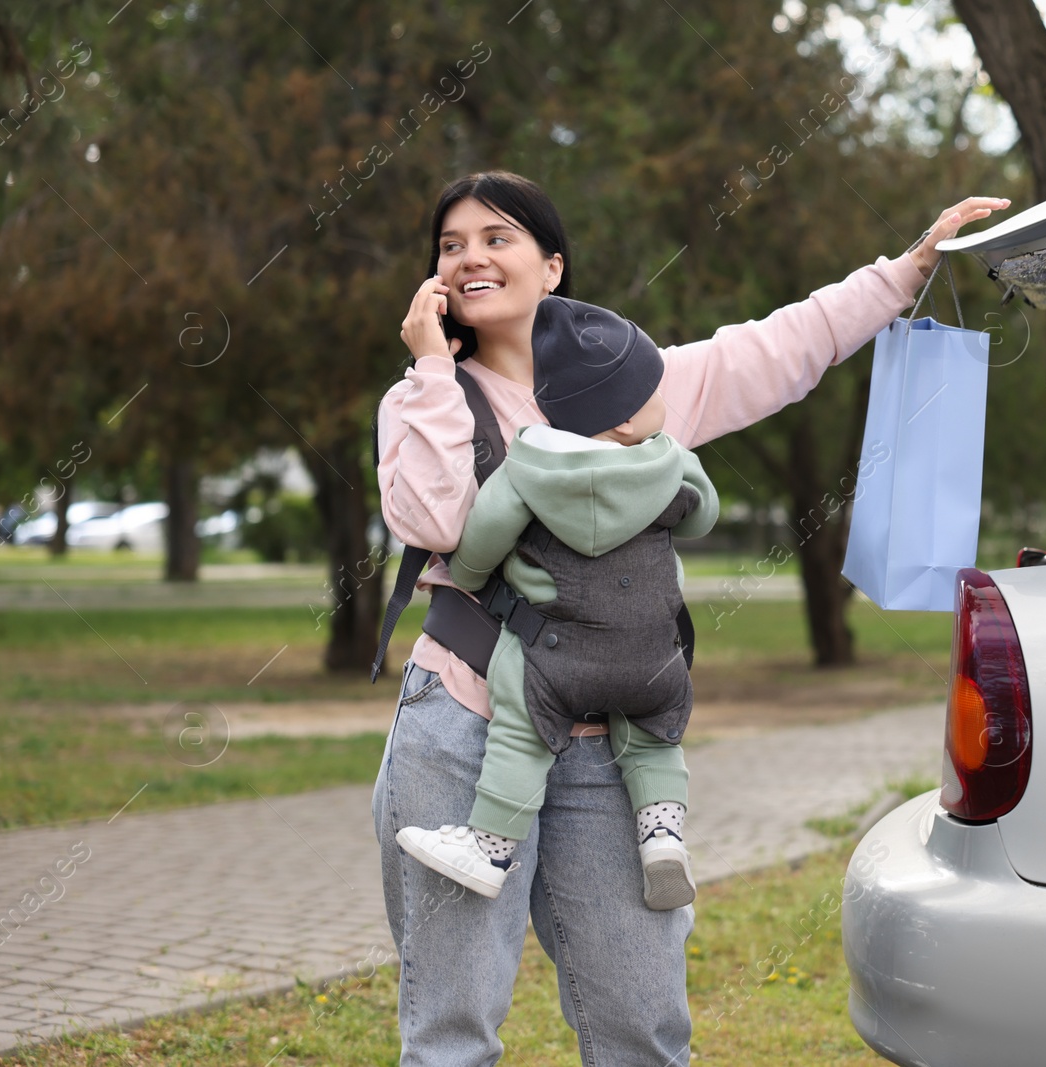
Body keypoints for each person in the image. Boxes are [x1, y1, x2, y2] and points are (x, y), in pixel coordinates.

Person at [373, 168, 1009, 1065]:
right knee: (452, 1029)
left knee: (642, 1021)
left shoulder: (638, 388)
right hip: (464, 732)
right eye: (451, 244)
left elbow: (778, 347)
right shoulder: (421, 397)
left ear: (552, 267)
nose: (471, 255)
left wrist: (904, 272)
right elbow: (432, 522)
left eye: (496, 236)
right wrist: (435, 365)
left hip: (610, 744)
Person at [395, 294, 718, 911]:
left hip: (556, 658)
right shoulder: (672, 460)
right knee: (652, 741)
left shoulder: (527, 465)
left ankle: (490, 848)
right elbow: (704, 515)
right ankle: (663, 836)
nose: (664, 400)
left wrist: (465, 572)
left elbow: (484, 537)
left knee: (520, 734)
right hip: (652, 655)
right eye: (654, 390)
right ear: (626, 421)